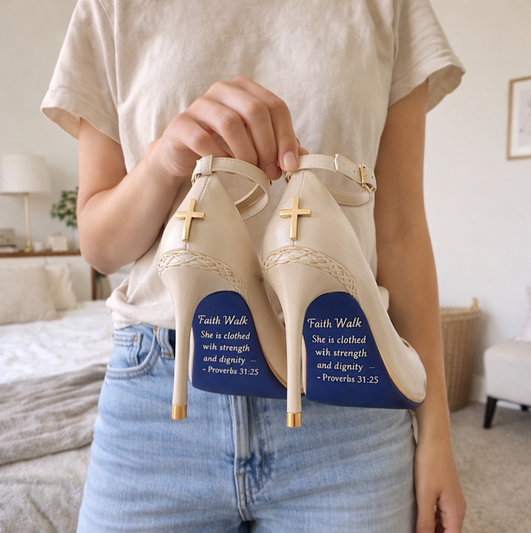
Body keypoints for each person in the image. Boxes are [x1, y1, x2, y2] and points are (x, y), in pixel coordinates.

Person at [42, 0, 466, 531]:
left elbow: (400, 229)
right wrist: (163, 162)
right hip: (158, 398)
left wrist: (437, 434)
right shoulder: (111, 8)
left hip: (347, 383)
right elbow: (100, 248)